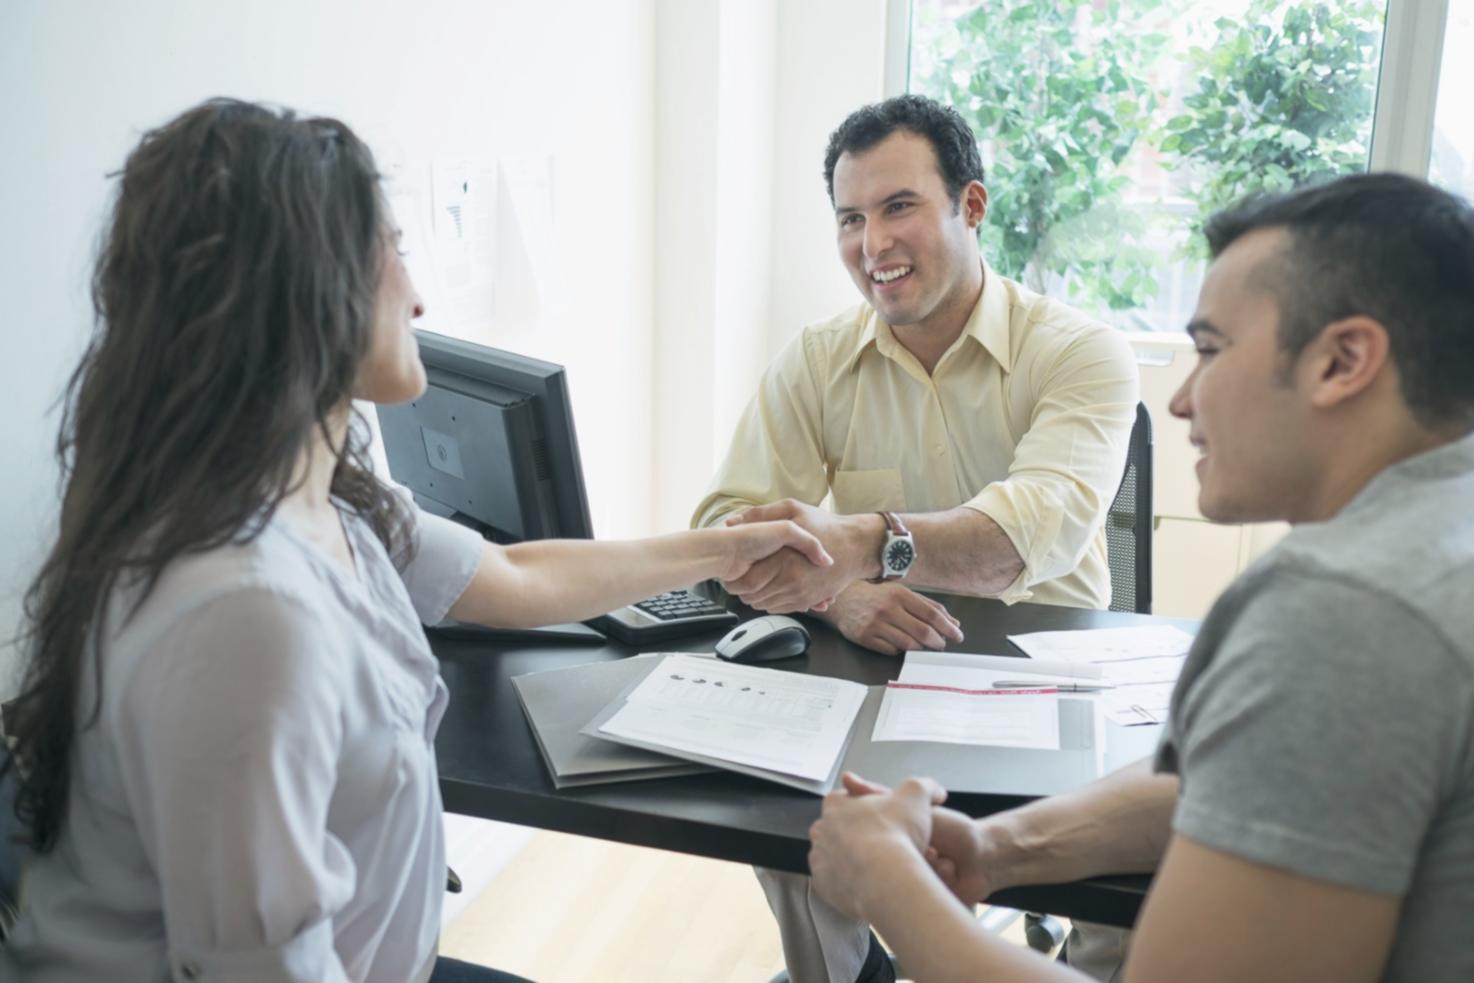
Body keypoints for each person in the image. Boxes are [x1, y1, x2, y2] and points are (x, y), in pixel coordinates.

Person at [0, 98, 832, 983]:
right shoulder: (242, 610)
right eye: (393, 250)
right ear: (309, 289)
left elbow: (511, 573)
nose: (420, 291)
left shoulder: (315, 496)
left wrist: (717, 552)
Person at [807, 172, 1474, 981]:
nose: (1185, 400)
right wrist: (996, 846)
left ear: (1342, 360)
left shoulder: (1343, 611)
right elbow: (1217, 782)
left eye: (1212, 349)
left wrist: (891, 890)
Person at [692, 94, 1138, 981]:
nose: (872, 245)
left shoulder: (1082, 352)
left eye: (899, 207)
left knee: (1128, 885)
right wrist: (840, 592)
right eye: (851, 219)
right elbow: (721, 524)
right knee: (778, 808)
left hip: (1045, 678)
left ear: (970, 207)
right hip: (879, 678)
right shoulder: (818, 359)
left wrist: (861, 543)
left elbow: (1024, 536)